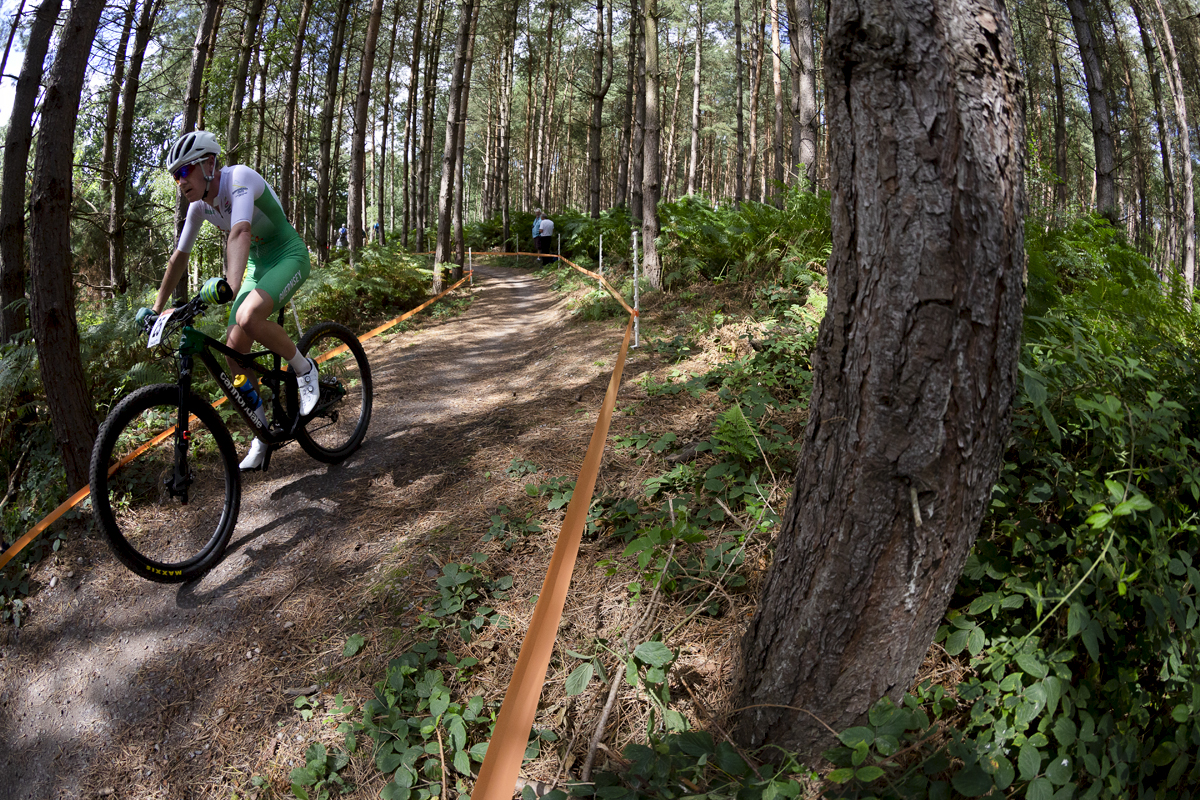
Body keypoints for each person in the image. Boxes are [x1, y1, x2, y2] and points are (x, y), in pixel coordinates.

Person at [140, 130, 319, 472]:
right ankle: (262, 435)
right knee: (234, 349)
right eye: (174, 175)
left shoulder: (238, 178)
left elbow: (240, 232)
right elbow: (179, 258)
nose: (179, 181)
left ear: (208, 164)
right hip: (257, 262)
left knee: (249, 315)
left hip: (287, 253)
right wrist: (157, 308)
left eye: (184, 171)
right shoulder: (197, 208)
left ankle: (304, 368)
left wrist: (231, 287)